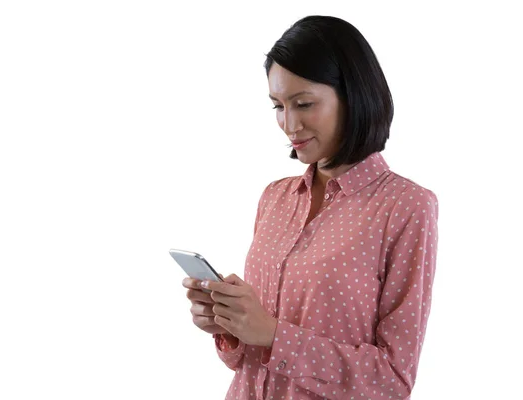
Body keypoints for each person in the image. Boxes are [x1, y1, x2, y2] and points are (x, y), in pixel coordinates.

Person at [182, 15, 438, 400]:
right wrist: (229, 325)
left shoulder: (405, 207)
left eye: (303, 104)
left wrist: (273, 334)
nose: (289, 124)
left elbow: (392, 379)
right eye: (277, 106)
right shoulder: (275, 198)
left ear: (353, 95)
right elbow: (252, 359)